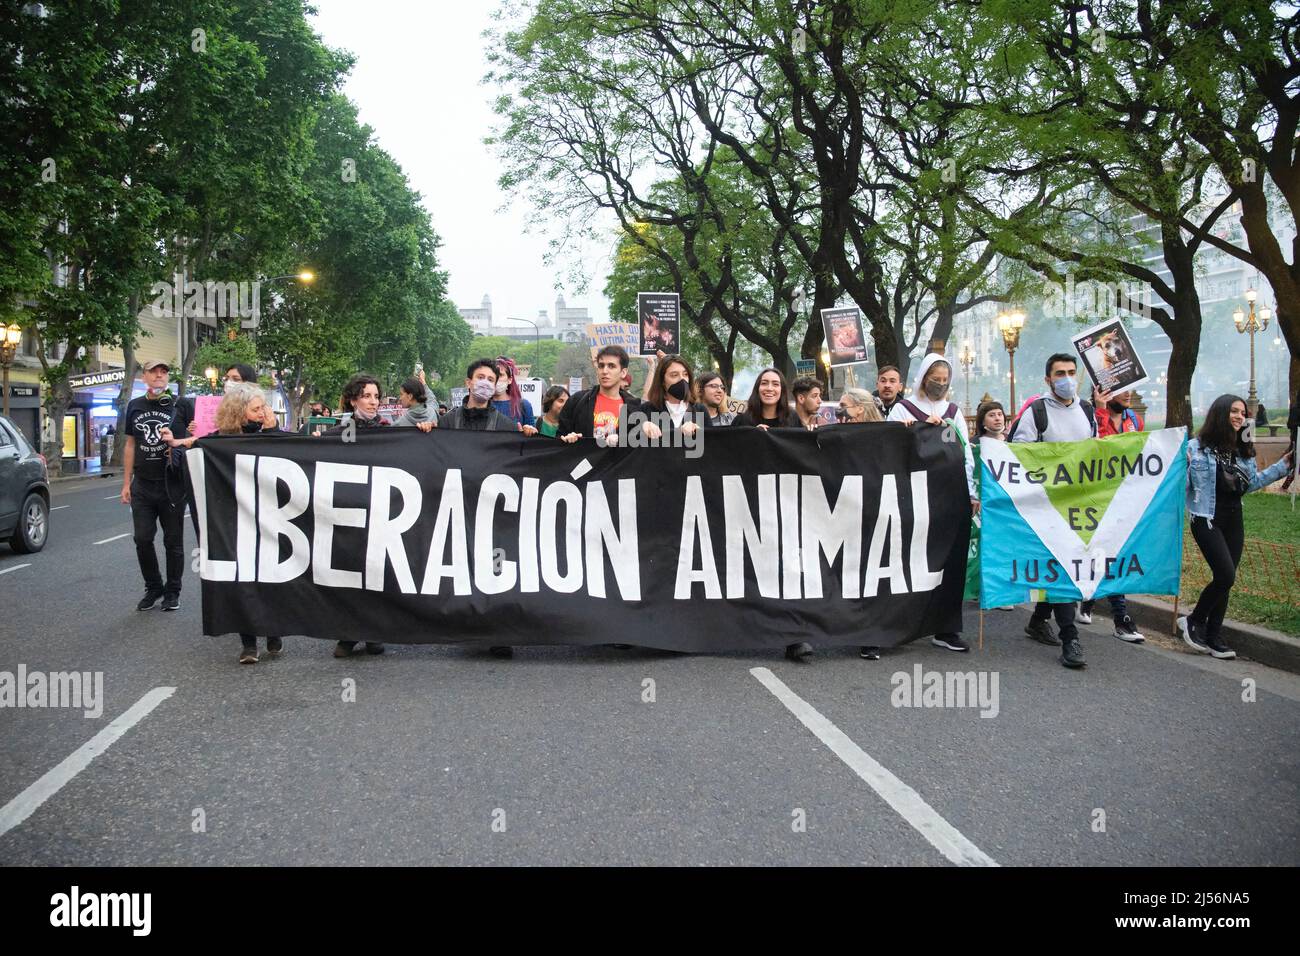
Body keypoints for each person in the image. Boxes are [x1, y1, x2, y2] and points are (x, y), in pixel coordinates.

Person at [163, 383, 288, 664]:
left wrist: (270, 430)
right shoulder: (220, 441)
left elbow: (288, 453)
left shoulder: (270, 435)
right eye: (255, 409)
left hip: (268, 520)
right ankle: (248, 643)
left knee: (268, 575)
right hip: (236, 522)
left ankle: (273, 630)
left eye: (262, 408)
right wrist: (178, 442)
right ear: (238, 412)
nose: (261, 413)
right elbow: (197, 448)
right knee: (242, 579)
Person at [876, 355, 976, 658]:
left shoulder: (954, 412)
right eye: (935, 376)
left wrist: (971, 492)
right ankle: (897, 624)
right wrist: (910, 430)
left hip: (948, 498)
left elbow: (964, 453)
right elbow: (887, 451)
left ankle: (946, 627)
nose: (940, 383)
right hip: (914, 499)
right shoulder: (902, 410)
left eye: (945, 378)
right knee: (906, 560)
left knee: (948, 563)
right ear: (923, 377)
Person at [1180, 394, 1293, 660]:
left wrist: (1282, 467)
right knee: (1225, 575)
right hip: (1205, 518)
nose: (1239, 416)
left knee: (1226, 580)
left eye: (1243, 413)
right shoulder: (1194, 448)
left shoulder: (1243, 450)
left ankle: (1214, 636)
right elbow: (1179, 486)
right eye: (1233, 411)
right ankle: (1194, 620)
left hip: (1234, 519)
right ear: (1220, 413)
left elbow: (1250, 484)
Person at [1011, 353, 1098, 669]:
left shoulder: (1087, 411)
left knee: (1066, 567)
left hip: (1078, 504)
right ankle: (1070, 637)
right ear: (1048, 379)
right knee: (1062, 568)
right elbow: (1018, 456)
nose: (1066, 378)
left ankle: (1037, 620)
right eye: (1059, 373)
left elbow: (1096, 455)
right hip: (1046, 506)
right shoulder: (1036, 413)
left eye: (1071, 372)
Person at [1075, 386, 1146, 641]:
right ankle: (1121, 618)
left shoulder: (1134, 420)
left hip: (1121, 496)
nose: (1129, 394)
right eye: (1123, 389)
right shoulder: (1087, 415)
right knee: (1104, 551)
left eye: (1132, 388)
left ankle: (1090, 600)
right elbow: (1097, 450)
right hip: (1093, 496)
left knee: (1110, 551)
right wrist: (1101, 411)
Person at [120, 360, 191, 613]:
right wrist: (126, 482)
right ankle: (154, 587)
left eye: (163, 372)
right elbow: (130, 445)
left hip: (171, 483)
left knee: (173, 541)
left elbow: (196, 438)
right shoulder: (135, 406)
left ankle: (173, 591)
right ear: (144, 378)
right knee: (142, 538)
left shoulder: (180, 405)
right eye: (154, 372)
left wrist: (181, 440)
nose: (159, 376)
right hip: (142, 484)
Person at [558, 345, 644, 443]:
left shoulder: (634, 407)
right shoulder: (577, 401)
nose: (605, 371)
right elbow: (559, 438)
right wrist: (567, 439)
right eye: (601, 366)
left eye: (611, 366)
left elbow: (637, 448)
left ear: (623, 372)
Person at [419, 360, 520, 433]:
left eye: (490, 380)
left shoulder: (506, 427)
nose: (485, 383)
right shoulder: (447, 422)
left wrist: (529, 435)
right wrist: (426, 431)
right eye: (480, 377)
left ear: (494, 387)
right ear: (468, 382)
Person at [641, 355, 710, 439]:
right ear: (662, 381)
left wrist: (700, 431)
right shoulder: (647, 409)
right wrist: (643, 427)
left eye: (685, 374)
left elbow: (713, 445)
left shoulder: (700, 409)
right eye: (674, 375)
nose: (682, 379)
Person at [493, 356, 538, 434]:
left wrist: (529, 431)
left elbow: (533, 438)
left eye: (500, 375)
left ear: (510, 379)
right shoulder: (481, 404)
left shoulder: (524, 405)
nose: (496, 378)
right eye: (493, 375)